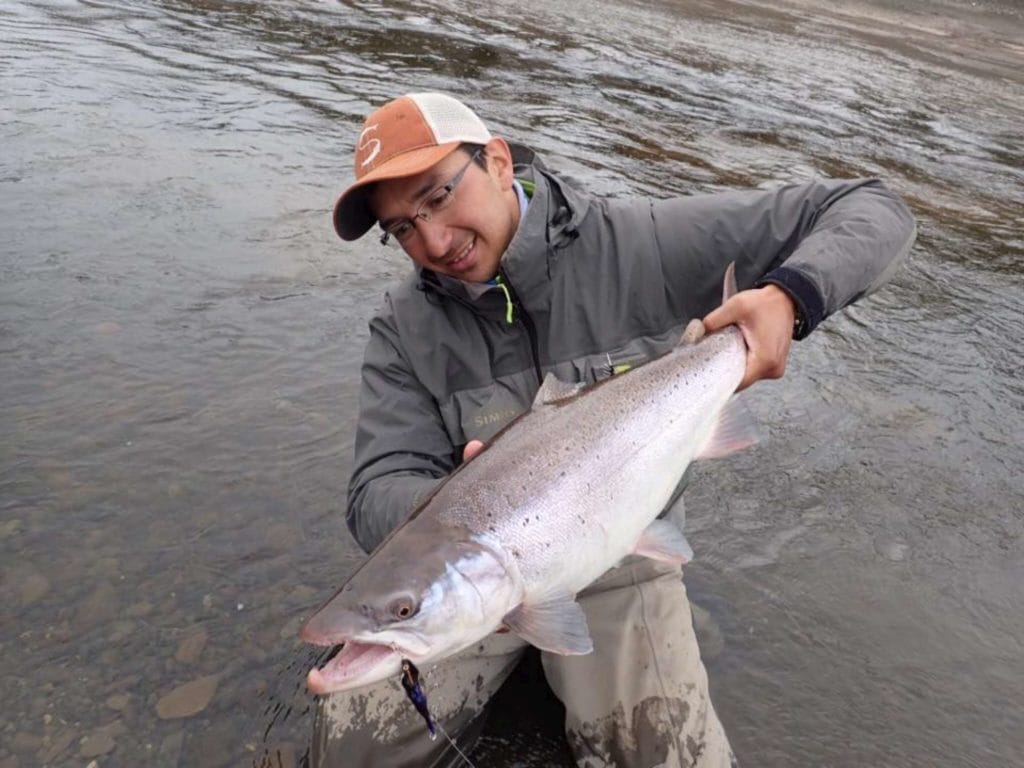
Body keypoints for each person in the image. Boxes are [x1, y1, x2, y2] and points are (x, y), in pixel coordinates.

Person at [309, 92, 916, 768]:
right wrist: (460, 501)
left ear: (500, 162)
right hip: (470, 574)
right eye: (402, 228)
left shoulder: (639, 244)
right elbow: (375, 492)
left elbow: (874, 209)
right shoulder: (403, 330)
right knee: (351, 751)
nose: (434, 242)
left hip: (622, 557)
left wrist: (790, 297)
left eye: (439, 197)